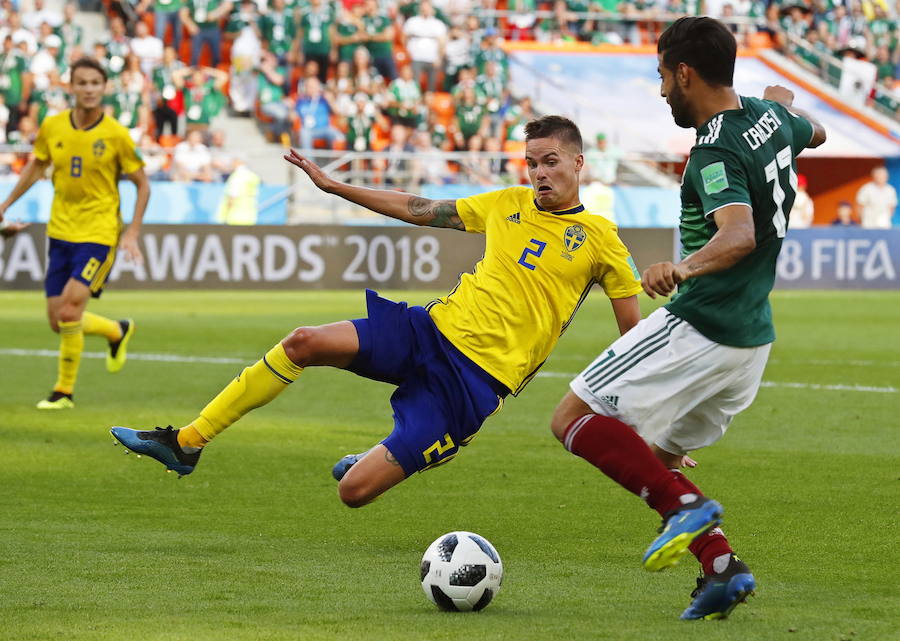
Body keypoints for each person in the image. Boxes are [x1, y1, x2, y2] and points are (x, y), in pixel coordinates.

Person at [110, 115, 645, 513]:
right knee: (303, 341)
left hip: (474, 384)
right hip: (429, 331)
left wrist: (650, 419)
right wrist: (334, 187)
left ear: (578, 163)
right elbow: (418, 209)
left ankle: (412, 447)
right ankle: (186, 442)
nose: (538, 173)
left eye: (550, 161)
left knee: (353, 492)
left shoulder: (601, 241)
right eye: (531, 163)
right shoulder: (506, 202)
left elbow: (631, 339)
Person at [549, 17, 826, 621]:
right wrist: (781, 108)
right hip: (750, 343)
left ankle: (685, 514)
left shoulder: (713, 149)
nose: (661, 92)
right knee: (656, 460)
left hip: (702, 324)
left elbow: (739, 234)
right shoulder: (770, 117)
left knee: (571, 418)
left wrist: (680, 268)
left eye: (662, 77)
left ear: (685, 73)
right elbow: (818, 132)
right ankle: (722, 568)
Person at [0, 57, 150, 409]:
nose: (88, 89)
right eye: (81, 83)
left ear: (105, 87)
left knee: (70, 312)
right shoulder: (53, 127)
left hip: (99, 232)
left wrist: (131, 233)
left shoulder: (115, 133)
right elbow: (37, 166)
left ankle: (63, 392)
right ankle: (116, 330)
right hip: (60, 230)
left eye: (95, 83)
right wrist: (5, 204)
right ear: (70, 87)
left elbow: (143, 185)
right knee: (58, 321)